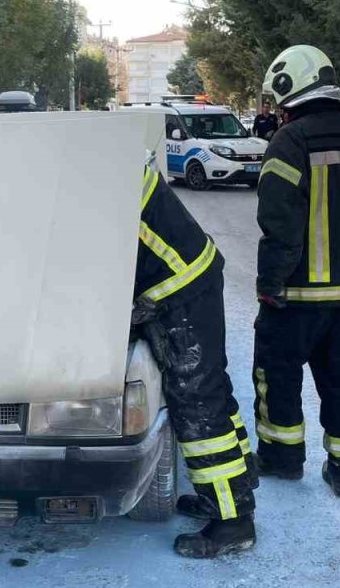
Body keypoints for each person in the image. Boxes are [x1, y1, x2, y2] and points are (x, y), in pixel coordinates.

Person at [252, 44, 340, 497]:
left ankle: (282, 458)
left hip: (299, 296)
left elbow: (278, 224)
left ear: (291, 89)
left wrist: (270, 284)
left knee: (279, 376)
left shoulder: (289, 143)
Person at [131, 163, 257, 558]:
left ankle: (232, 521)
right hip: (191, 275)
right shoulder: (102, 159)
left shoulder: (87, 181)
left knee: (198, 402)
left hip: (180, 287)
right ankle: (234, 488)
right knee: (212, 389)